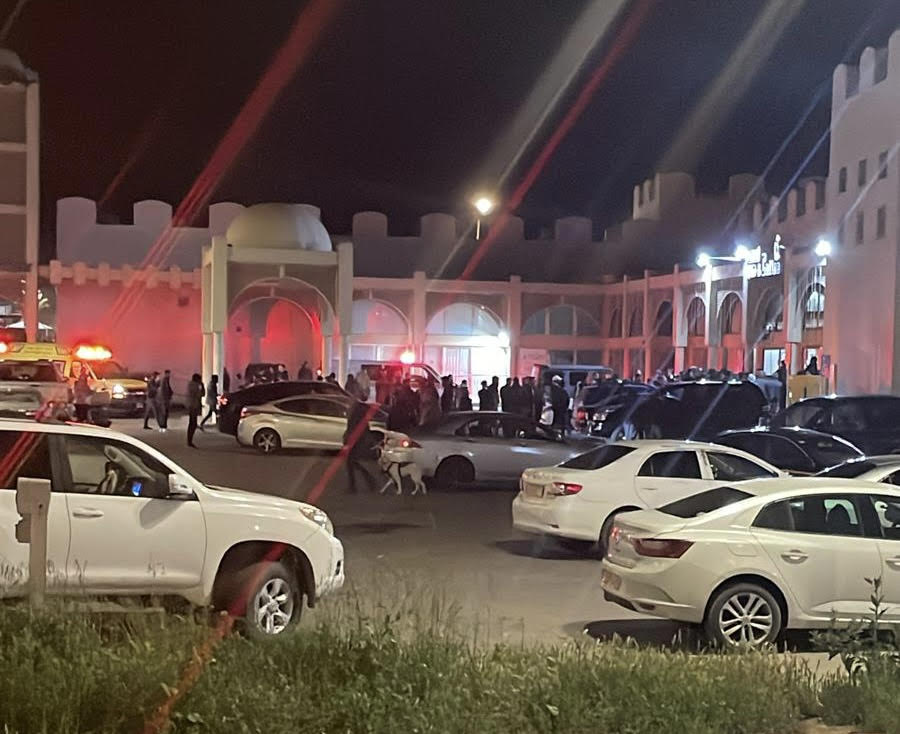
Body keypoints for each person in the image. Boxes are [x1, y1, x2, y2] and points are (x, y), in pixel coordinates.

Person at [343, 400, 378, 493]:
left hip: (355, 440)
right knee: (352, 462)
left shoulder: (356, 412)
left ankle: (356, 485)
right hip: (357, 440)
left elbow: (352, 427)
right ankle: (367, 481)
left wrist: (347, 438)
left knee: (351, 462)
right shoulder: (360, 411)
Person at [186, 373, 204, 448]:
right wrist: (202, 386)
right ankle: (189, 441)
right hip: (193, 406)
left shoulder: (190, 384)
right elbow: (201, 394)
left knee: (192, 423)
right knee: (192, 423)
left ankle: (189, 440)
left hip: (191, 405)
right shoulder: (195, 385)